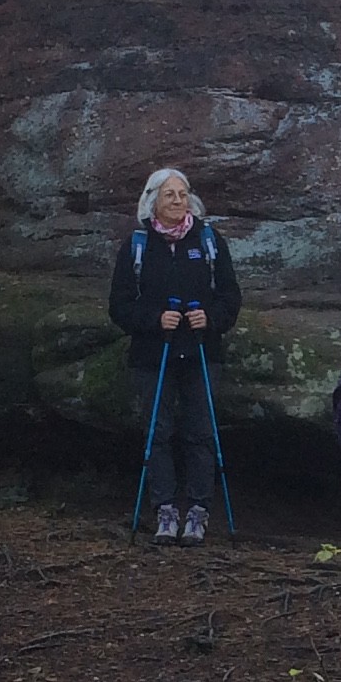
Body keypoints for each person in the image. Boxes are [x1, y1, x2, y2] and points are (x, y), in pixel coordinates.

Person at [106, 167, 243, 544]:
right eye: (169, 195)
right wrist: (153, 319)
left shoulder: (209, 240)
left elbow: (231, 297)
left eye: (182, 194)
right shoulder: (137, 245)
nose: (178, 201)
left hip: (201, 351)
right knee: (159, 432)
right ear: (153, 200)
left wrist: (210, 318)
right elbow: (118, 306)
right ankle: (165, 509)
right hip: (154, 355)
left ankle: (199, 511)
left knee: (202, 432)